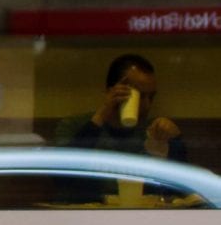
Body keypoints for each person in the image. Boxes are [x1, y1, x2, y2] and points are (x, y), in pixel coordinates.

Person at [54, 53, 186, 163]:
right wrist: (101, 115)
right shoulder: (73, 126)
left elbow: (178, 186)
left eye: (151, 97)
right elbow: (64, 178)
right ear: (111, 91)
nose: (147, 105)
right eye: (139, 96)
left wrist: (175, 140)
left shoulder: (153, 132)